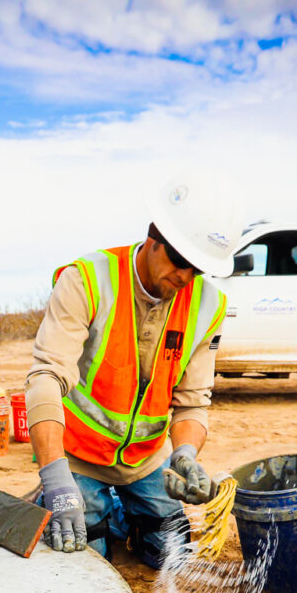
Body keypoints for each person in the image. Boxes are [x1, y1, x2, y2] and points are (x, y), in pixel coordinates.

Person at [25, 169, 243, 567]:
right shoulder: (87, 280)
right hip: (77, 454)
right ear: (154, 236)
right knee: (83, 559)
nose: (185, 276)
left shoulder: (208, 305)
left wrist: (186, 455)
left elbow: (193, 403)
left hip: (144, 459)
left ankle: (119, 515)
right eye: (180, 260)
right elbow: (45, 379)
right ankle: (75, 502)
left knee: (171, 554)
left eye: (198, 268)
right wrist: (56, 479)